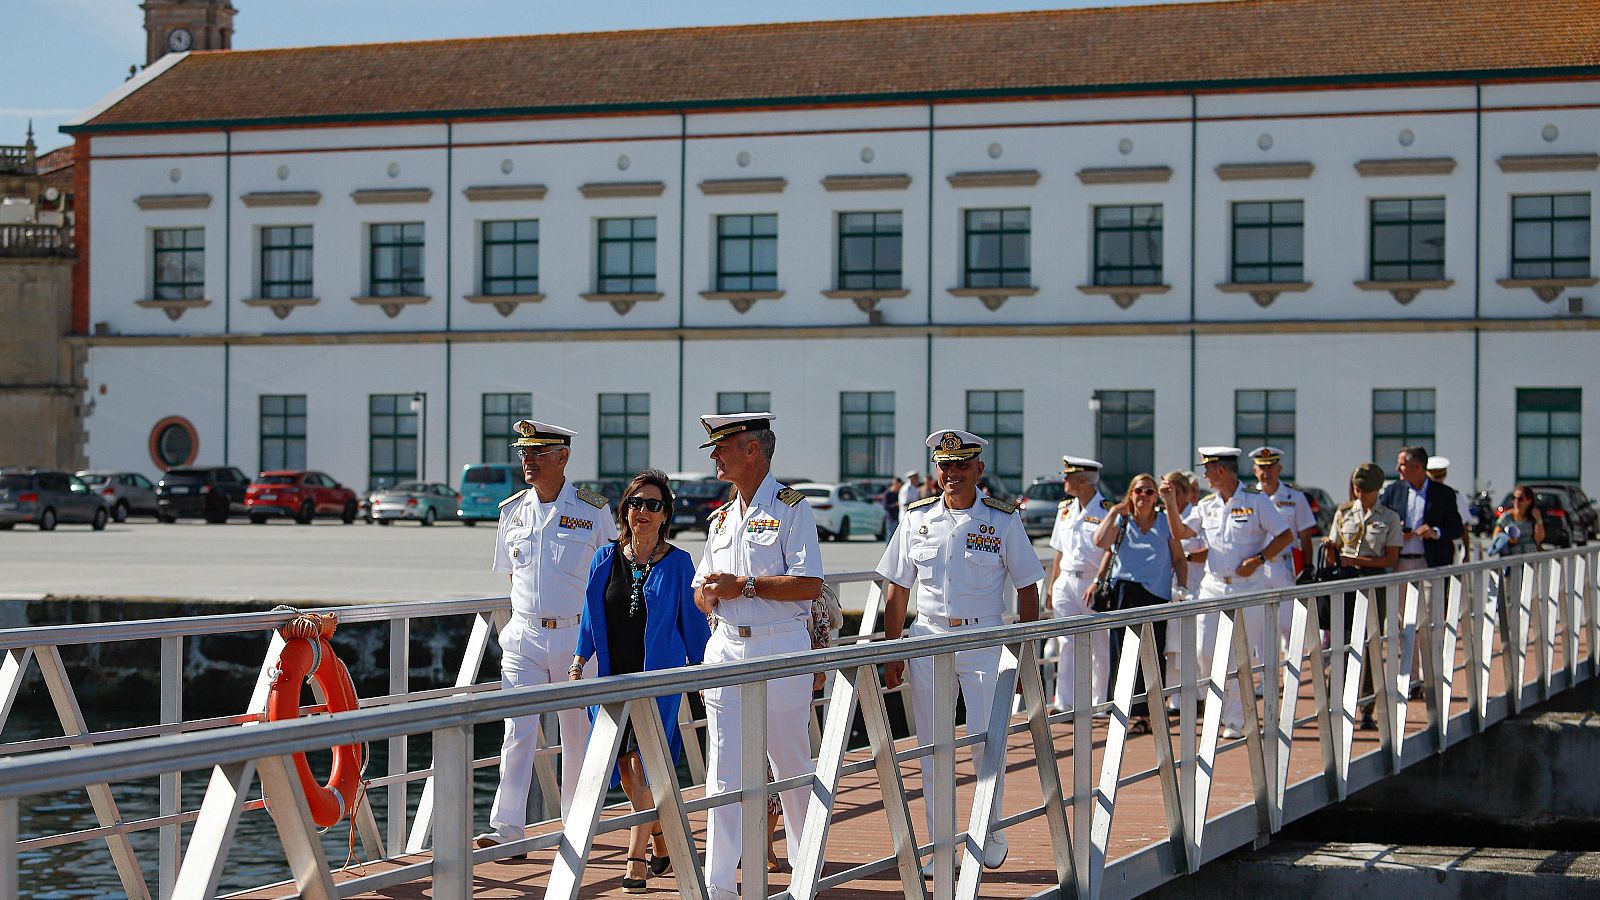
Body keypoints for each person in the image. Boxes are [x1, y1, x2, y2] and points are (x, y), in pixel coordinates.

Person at [877, 429, 1045, 876]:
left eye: (961, 465)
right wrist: (892, 650)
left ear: (978, 470)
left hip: (983, 640)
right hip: (928, 639)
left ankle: (988, 830)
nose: (952, 474)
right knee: (933, 747)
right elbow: (897, 589)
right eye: (944, 465)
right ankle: (941, 846)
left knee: (986, 743)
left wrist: (1024, 650)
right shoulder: (915, 519)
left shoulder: (1003, 520)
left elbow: (1028, 587)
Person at [690, 412, 824, 899]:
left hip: (779, 647)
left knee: (790, 766)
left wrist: (743, 585)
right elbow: (701, 589)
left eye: (723, 448)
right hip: (726, 646)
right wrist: (708, 595)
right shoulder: (721, 517)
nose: (715, 458)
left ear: (752, 450)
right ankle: (720, 885)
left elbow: (810, 583)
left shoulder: (792, 508)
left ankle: (804, 877)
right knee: (722, 772)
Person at [477, 420, 618, 852]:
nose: (528, 462)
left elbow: (612, 576)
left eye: (538, 454)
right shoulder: (512, 510)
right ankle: (506, 827)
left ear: (563, 457)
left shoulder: (592, 510)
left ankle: (575, 824)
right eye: (524, 454)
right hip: (524, 635)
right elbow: (511, 574)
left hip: (577, 635)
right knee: (516, 729)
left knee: (576, 733)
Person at [569, 468, 710, 892]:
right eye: (634, 503)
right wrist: (578, 663)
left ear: (665, 514)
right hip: (611, 681)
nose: (642, 511)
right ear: (624, 511)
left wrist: (706, 674)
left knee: (639, 763)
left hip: (657, 686)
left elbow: (694, 628)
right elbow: (593, 619)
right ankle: (663, 838)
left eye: (652, 505)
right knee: (627, 765)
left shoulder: (679, 562)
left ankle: (635, 858)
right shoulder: (604, 559)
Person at [1188, 447, 1293, 740]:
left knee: (1240, 656)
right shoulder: (1207, 505)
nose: (1205, 474)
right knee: (1204, 652)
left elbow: (1285, 535)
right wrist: (1171, 502)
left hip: (1248, 588)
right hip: (1212, 586)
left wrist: (1259, 559)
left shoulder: (1256, 501)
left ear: (1221, 471)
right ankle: (1217, 712)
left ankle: (1236, 719)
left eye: (1208, 469)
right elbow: (1183, 534)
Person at [1092, 473, 1187, 734]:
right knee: (1121, 654)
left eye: (1149, 492)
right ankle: (1122, 708)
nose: (1143, 496)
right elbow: (1101, 543)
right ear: (1130, 495)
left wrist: (1182, 589)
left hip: (1155, 595)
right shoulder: (1122, 521)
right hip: (1124, 593)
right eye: (1138, 491)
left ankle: (1148, 712)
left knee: (1153, 656)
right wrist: (1113, 512)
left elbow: (1179, 559)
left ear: (1157, 496)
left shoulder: (1166, 522)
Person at [1322, 463, 1403, 730]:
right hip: (1346, 583)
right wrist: (1331, 550)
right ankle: (1337, 701)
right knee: (1342, 642)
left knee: (1370, 645)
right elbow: (1335, 548)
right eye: (1357, 489)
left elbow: (1390, 559)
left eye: (1366, 491)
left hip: (1373, 583)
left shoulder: (1389, 518)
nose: (1361, 495)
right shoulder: (1345, 513)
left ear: (1377, 490)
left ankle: (1367, 705)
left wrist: (1354, 559)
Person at [1379, 446, 1464, 687]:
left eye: (1402, 464)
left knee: (1428, 619)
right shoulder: (1392, 491)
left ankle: (1431, 677)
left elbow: (1456, 527)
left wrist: (1436, 532)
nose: (1397, 470)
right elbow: (1379, 522)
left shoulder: (1444, 494)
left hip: (1430, 563)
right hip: (1400, 564)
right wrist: (1396, 531)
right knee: (1403, 623)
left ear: (1417, 467)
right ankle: (1411, 677)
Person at [1043, 456, 1112, 715]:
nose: (1064, 480)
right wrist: (1052, 586)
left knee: (1099, 644)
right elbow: (1059, 552)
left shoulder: (1105, 510)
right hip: (1066, 582)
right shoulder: (1065, 509)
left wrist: (1098, 581)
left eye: (1069, 476)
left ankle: (1099, 702)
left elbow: (1110, 550)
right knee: (1066, 642)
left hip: (1091, 583)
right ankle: (1064, 702)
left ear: (1083, 480)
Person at [1247, 446, 1319, 658]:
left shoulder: (1295, 497)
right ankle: (1263, 680)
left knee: (1289, 624)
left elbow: (1305, 535)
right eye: (1261, 468)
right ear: (1254, 470)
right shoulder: (1248, 496)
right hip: (1257, 567)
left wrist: (1307, 567)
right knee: (1259, 627)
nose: (1266, 473)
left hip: (1284, 565)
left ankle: (1291, 677)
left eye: (1270, 467)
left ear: (1279, 468)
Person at [1426, 456, 1476, 561]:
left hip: (1444, 549)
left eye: (1439, 476)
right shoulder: (1420, 495)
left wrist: (1467, 552)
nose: (1438, 480)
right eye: (1435, 476)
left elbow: (1463, 526)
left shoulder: (1454, 496)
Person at [1491, 485, 1545, 556]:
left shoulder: (1533, 517)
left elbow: (1539, 539)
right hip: (1512, 560)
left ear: (1529, 501)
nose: (1516, 501)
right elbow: (1495, 537)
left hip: (1530, 559)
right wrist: (1508, 539)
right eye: (1514, 498)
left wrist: (1538, 520)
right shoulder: (1506, 517)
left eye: (1520, 499)